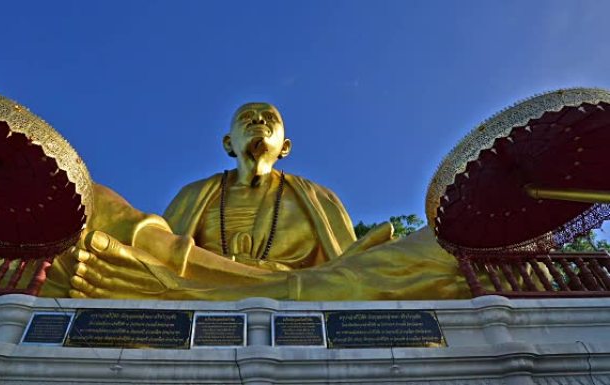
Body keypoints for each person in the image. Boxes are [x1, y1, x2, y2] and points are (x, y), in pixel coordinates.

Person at [40, 103, 470, 300]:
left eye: (269, 119)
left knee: (438, 243)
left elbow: (345, 264)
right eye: (247, 118)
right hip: (207, 281)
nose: (258, 122)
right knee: (92, 199)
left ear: (286, 146)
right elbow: (151, 251)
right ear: (229, 142)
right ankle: (261, 289)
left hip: (322, 285)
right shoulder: (197, 194)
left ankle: (260, 289)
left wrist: (348, 272)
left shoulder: (318, 198)